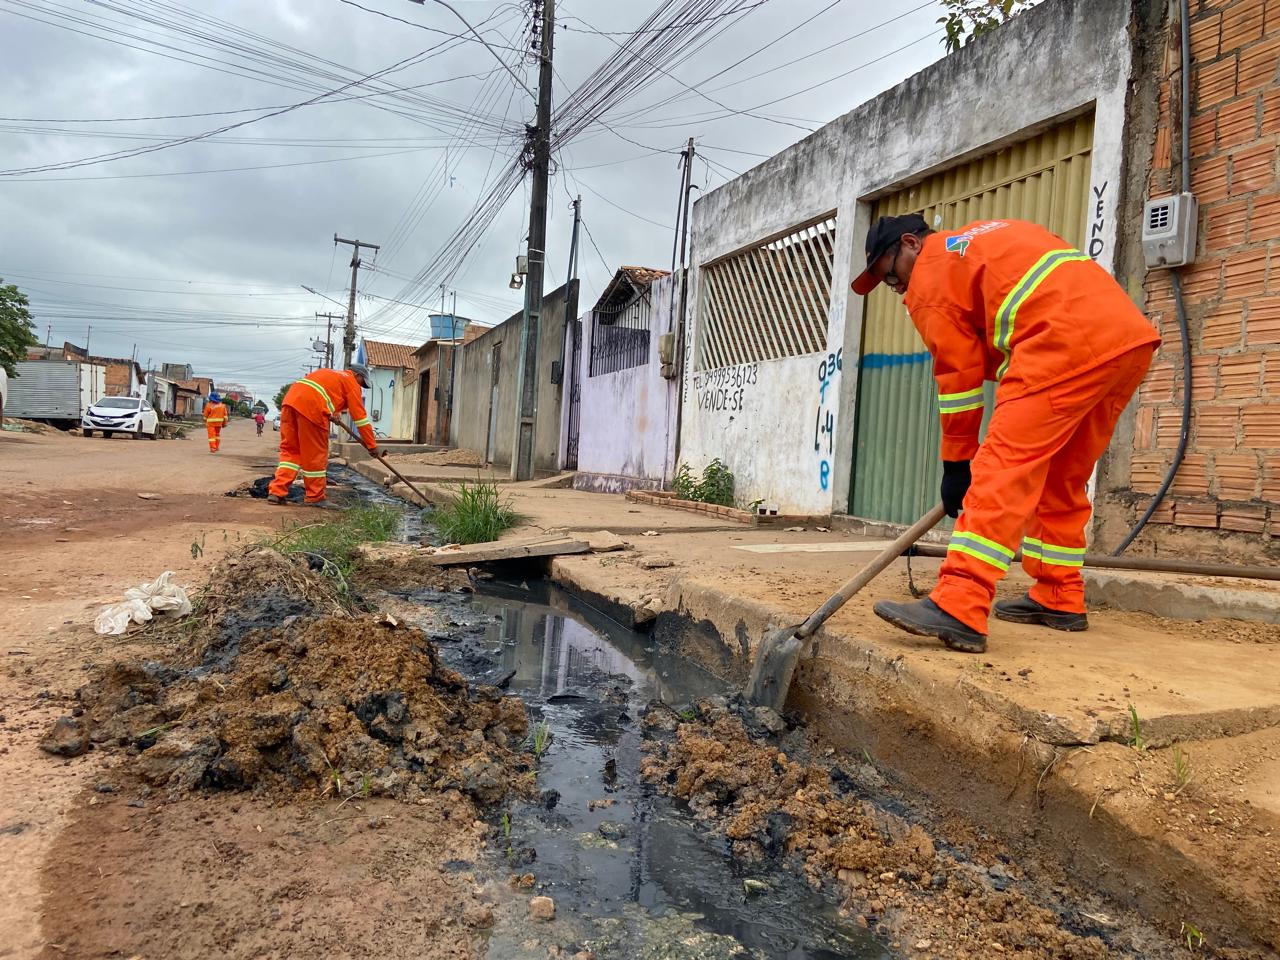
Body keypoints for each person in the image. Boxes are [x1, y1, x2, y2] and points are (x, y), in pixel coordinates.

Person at [850, 215, 1160, 654]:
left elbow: (958, 379)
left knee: (1001, 468)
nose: (894, 286)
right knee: (1061, 478)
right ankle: (1059, 594)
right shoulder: (985, 237)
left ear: (910, 245)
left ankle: (960, 603)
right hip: (1125, 342)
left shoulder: (931, 275)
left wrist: (957, 465)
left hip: (1058, 340)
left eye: (889, 273)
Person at [267, 364, 383, 507]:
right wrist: (372, 445)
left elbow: (323, 394)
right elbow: (360, 419)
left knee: (291, 452)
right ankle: (315, 497)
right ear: (357, 375)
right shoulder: (352, 383)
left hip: (290, 403)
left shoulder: (329, 374)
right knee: (315, 455)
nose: (361, 386)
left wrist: (333, 414)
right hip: (312, 409)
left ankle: (277, 492)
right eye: (362, 382)